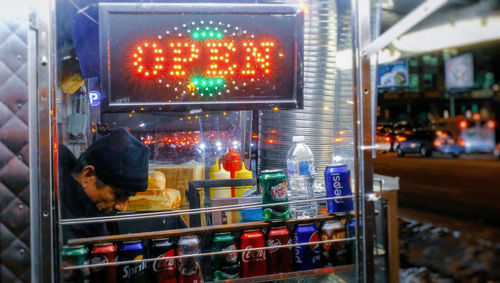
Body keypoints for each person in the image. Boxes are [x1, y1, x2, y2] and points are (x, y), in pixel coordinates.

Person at [59, 128, 150, 241]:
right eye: (117, 195)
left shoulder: (87, 210)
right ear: (88, 175)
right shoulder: (59, 222)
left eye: (128, 198)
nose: (122, 207)